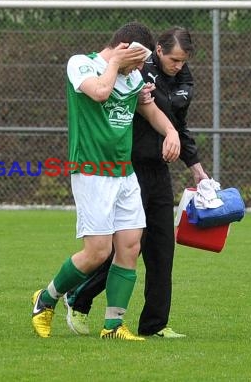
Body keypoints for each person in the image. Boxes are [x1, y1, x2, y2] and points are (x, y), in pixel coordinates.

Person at [31, 22, 181, 340]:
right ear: (123, 47)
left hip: (124, 174)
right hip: (91, 172)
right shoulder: (81, 64)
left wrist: (170, 131)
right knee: (97, 252)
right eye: (137, 59)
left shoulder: (133, 76)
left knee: (129, 246)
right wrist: (114, 62)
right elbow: (99, 93)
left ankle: (113, 325)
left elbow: (149, 109)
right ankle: (46, 299)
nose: (142, 68)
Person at [63, 27, 208, 338]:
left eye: (183, 60)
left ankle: (154, 325)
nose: (178, 65)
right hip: (125, 166)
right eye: (173, 59)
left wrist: (190, 158)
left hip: (156, 169)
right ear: (156, 51)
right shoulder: (123, 69)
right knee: (112, 250)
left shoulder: (172, 78)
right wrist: (127, 73)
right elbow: (105, 93)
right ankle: (78, 297)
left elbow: (174, 119)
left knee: (160, 249)